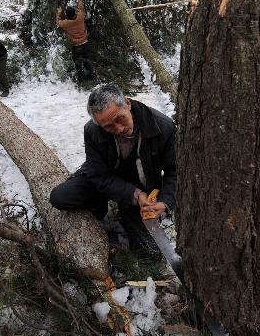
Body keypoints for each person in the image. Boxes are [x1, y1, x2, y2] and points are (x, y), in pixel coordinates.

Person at [50, 83, 176, 256]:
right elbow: (97, 173)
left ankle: (125, 212)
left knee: (151, 252)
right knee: (59, 197)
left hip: (142, 185)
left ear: (128, 103)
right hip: (105, 178)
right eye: (108, 126)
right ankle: (102, 205)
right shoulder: (92, 130)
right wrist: (134, 194)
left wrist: (165, 202)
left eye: (120, 118)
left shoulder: (163, 127)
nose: (118, 129)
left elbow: (175, 172)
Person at [56, 0, 95, 84]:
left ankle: (81, 81)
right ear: (75, 13)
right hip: (85, 44)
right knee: (87, 61)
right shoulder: (80, 18)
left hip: (76, 47)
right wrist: (79, 0)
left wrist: (59, 13)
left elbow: (58, 22)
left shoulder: (66, 23)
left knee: (78, 65)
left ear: (67, 16)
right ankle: (92, 78)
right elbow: (81, 8)